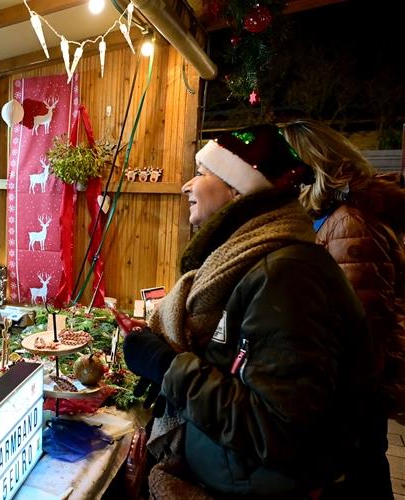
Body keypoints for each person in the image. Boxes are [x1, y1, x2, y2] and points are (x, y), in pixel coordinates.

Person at [121, 124, 390, 498]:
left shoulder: (287, 276)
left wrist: (169, 368)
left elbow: (279, 430)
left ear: (236, 190)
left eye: (200, 174)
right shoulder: (252, 265)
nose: (186, 186)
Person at [281, 118, 405, 486]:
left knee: (362, 478)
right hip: (348, 405)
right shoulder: (330, 220)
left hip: (350, 408)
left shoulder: (348, 225)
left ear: (306, 168)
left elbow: (362, 333)